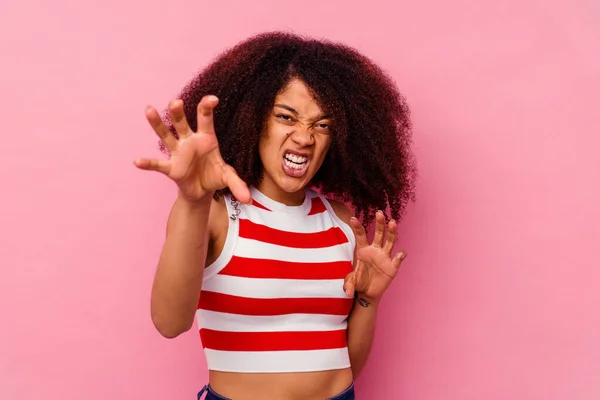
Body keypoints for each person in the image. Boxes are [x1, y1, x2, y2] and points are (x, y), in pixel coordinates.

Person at [134, 31, 416, 400]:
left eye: (323, 124)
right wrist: (192, 200)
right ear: (254, 120)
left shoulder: (343, 222)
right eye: (287, 117)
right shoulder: (216, 213)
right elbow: (170, 323)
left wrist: (367, 300)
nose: (304, 137)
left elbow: (344, 367)